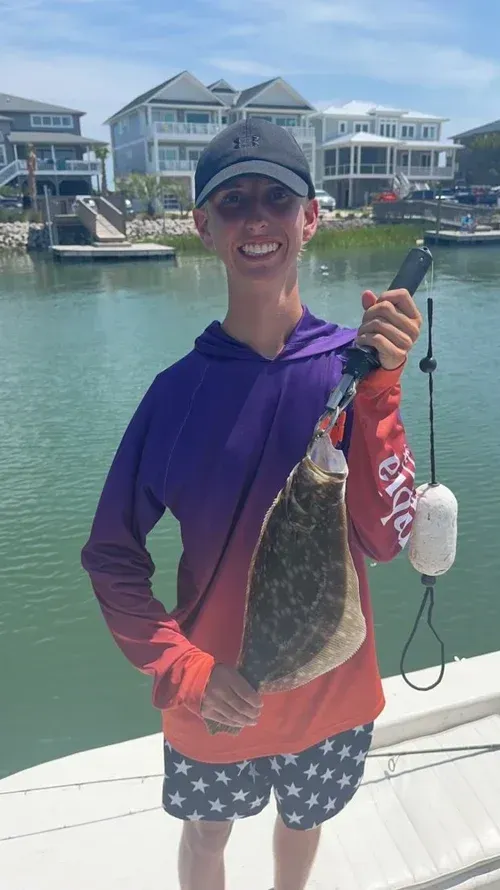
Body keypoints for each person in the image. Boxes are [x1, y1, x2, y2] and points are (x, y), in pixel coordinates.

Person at [81, 118, 422, 890]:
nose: (258, 217)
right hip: (215, 698)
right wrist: (184, 668)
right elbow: (111, 555)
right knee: (207, 836)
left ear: (312, 217)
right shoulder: (173, 397)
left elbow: (384, 534)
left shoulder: (358, 366)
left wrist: (382, 393)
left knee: (303, 828)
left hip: (332, 695)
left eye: (278, 196)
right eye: (234, 202)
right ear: (204, 225)